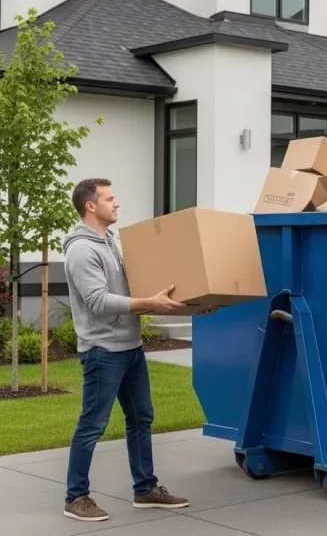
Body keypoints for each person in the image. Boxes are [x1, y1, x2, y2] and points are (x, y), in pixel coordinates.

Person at [62, 178, 191, 522]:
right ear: (90, 205)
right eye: (109, 198)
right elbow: (98, 301)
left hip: (131, 347)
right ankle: (76, 497)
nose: (117, 203)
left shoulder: (113, 243)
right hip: (103, 350)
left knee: (141, 418)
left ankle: (145, 489)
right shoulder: (81, 249)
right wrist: (150, 303)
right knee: (93, 424)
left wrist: (187, 300)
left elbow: (136, 287)